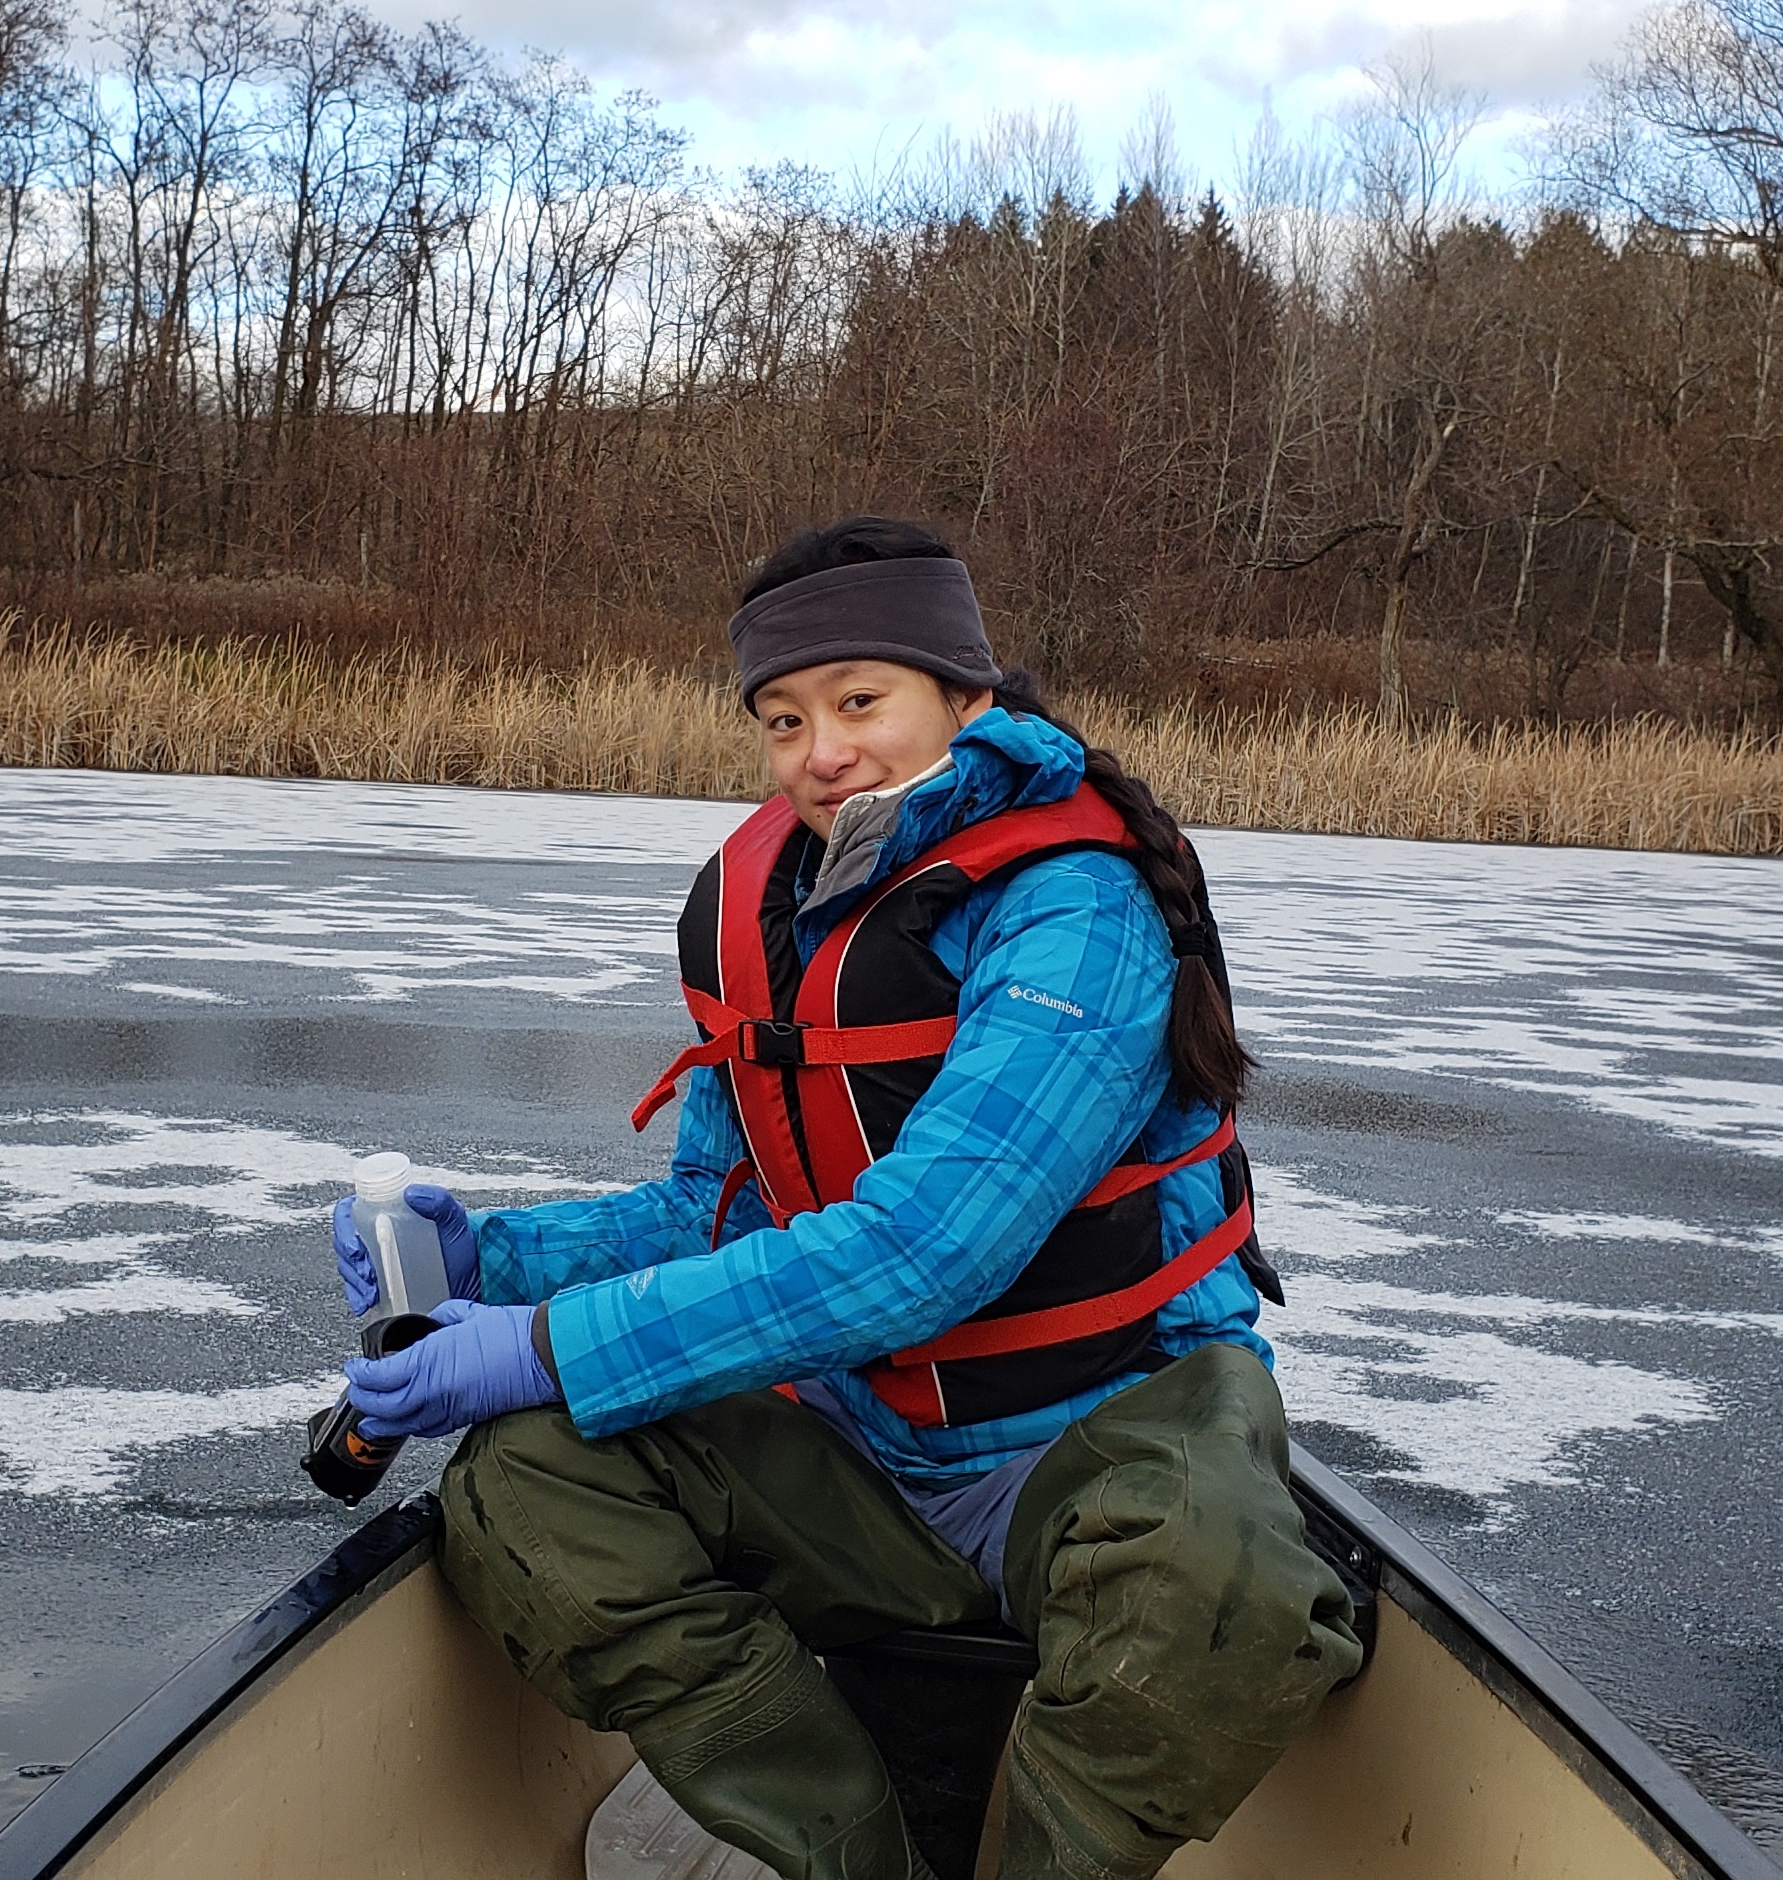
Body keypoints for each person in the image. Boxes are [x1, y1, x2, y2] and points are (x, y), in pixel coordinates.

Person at [331, 518, 1362, 1880]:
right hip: (867, 1450)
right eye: (782, 718)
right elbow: (726, 1213)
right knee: (527, 1480)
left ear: (967, 696)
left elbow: (927, 1251)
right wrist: (496, 1265)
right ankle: (846, 1851)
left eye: (860, 702)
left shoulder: (1077, 912)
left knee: (1221, 1585)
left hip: (1103, 1437)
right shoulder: (765, 911)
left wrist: (541, 1350)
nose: (821, 752)